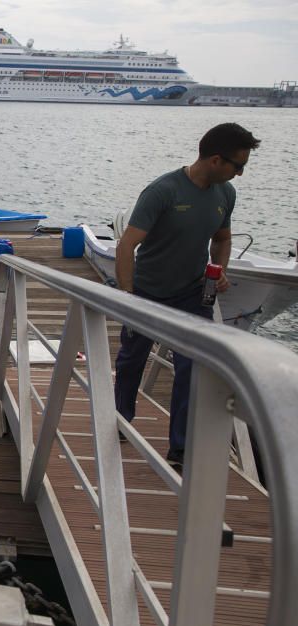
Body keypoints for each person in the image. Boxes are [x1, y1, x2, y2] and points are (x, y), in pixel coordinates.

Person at [113, 122, 260, 467]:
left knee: (191, 368)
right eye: (237, 166)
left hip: (194, 294)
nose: (239, 174)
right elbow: (126, 245)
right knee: (132, 360)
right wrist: (127, 296)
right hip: (148, 292)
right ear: (214, 160)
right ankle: (120, 419)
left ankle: (179, 448)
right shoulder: (163, 191)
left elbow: (222, 239)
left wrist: (219, 269)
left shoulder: (226, 194)